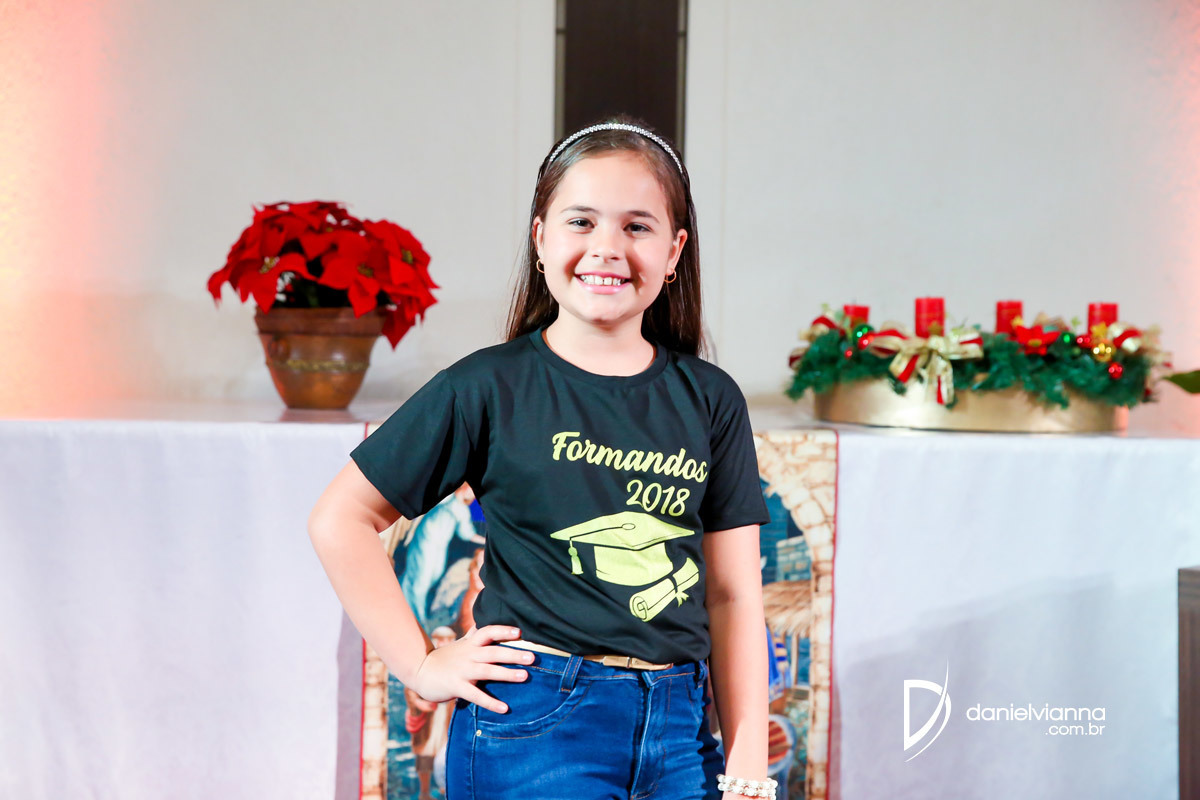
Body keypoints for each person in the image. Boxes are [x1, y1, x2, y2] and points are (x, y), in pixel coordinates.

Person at [308, 115, 777, 800]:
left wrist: (748, 766)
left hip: (681, 735)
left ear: (675, 251)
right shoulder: (486, 386)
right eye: (581, 222)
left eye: (637, 226)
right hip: (534, 726)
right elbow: (340, 518)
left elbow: (733, 594)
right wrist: (421, 666)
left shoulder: (710, 398)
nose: (606, 248)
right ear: (540, 238)